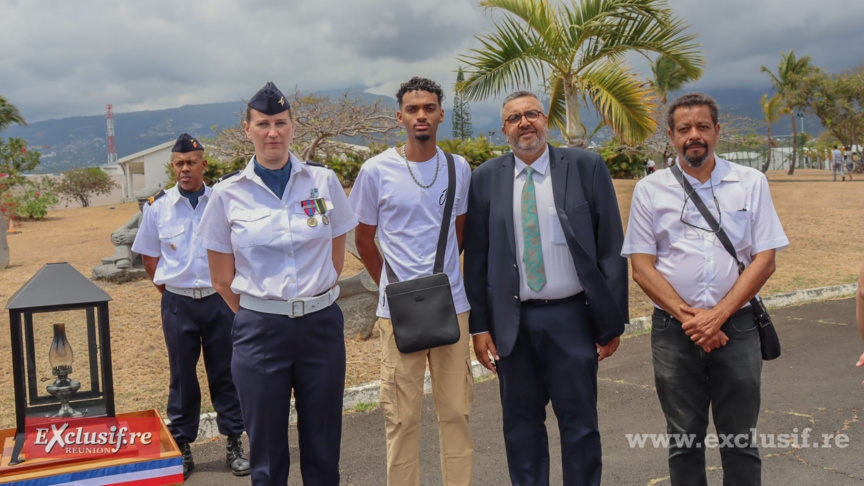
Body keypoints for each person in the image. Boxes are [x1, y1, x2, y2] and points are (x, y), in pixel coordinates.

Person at [622, 92, 789, 485]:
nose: (693, 135)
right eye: (684, 129)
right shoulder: (650, 190)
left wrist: (718, 316)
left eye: (702, 127)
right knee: (683, 440)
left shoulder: (750, 182)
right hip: (674, 331)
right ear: (671, 135)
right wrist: (693, 320)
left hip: (739, 326)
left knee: (740, 439)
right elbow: (642, 268)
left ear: (717, 130)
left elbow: (765, 259)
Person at [196, 82, 357, 486]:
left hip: (321, 326)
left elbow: (336, 258)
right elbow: (221, 276)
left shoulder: (323, 181)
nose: (273, 132)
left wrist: (308, 299)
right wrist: (263, 310)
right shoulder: (228, 193)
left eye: (280, 123)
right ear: (247, 129)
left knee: (323, 448)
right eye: (263, 123)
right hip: (260, 330)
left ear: (293, 126)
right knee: (266, 453)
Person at [463, 91, 628, 485]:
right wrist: (480, 326)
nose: (525, 123)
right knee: (520, 428)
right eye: (515, 118)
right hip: (512, 323)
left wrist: (612, 323)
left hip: (572, 317)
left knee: (580, 424)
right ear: (504, 129)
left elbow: (611, 248)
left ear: (545, 119)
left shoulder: (586, 166)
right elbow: (478, 258)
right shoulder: (486, 177)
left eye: (532, 114)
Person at [349, 77, 474, 486]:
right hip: (397, 313)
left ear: (441, 114)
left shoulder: (459, 168)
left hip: (452, 307)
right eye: (413, 108)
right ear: (399, 116)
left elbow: (460, 232)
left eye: (429, 107)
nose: (421, 115)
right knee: (401, 418)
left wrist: (437, 279)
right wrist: (392, 286)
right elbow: (363, 240)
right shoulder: (375, 171)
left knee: (456, 412)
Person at [131, 133, 249, 480]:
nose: (186, 169)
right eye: (180, 163)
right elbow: (150, 257)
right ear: (174, 166)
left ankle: (234, 443)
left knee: (226, 373)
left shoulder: (223, 201)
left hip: (219, 302)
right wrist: (170, 292)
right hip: (179, 303)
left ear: (203, 165)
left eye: (192, 162)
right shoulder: (158, 206)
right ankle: (182, 447)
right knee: (182, 378)